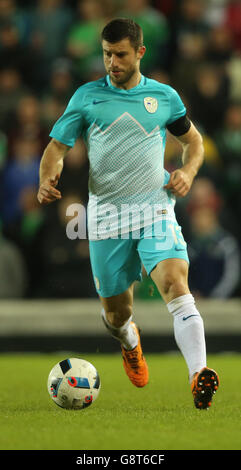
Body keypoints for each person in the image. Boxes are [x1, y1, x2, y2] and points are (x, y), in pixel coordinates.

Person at [37, 18, 219, 410]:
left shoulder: (164, 98)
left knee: (175, 283)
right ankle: (129, 342)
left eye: (120, 54)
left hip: (155, 208)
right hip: (105, 218)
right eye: (106, 54)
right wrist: (46, 177)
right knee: (117, 314)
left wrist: (186, 171)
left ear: (140, 52)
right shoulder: (87, 97)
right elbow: (56, 147)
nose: (111, 63)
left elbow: (195, 142)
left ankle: (198, 375)